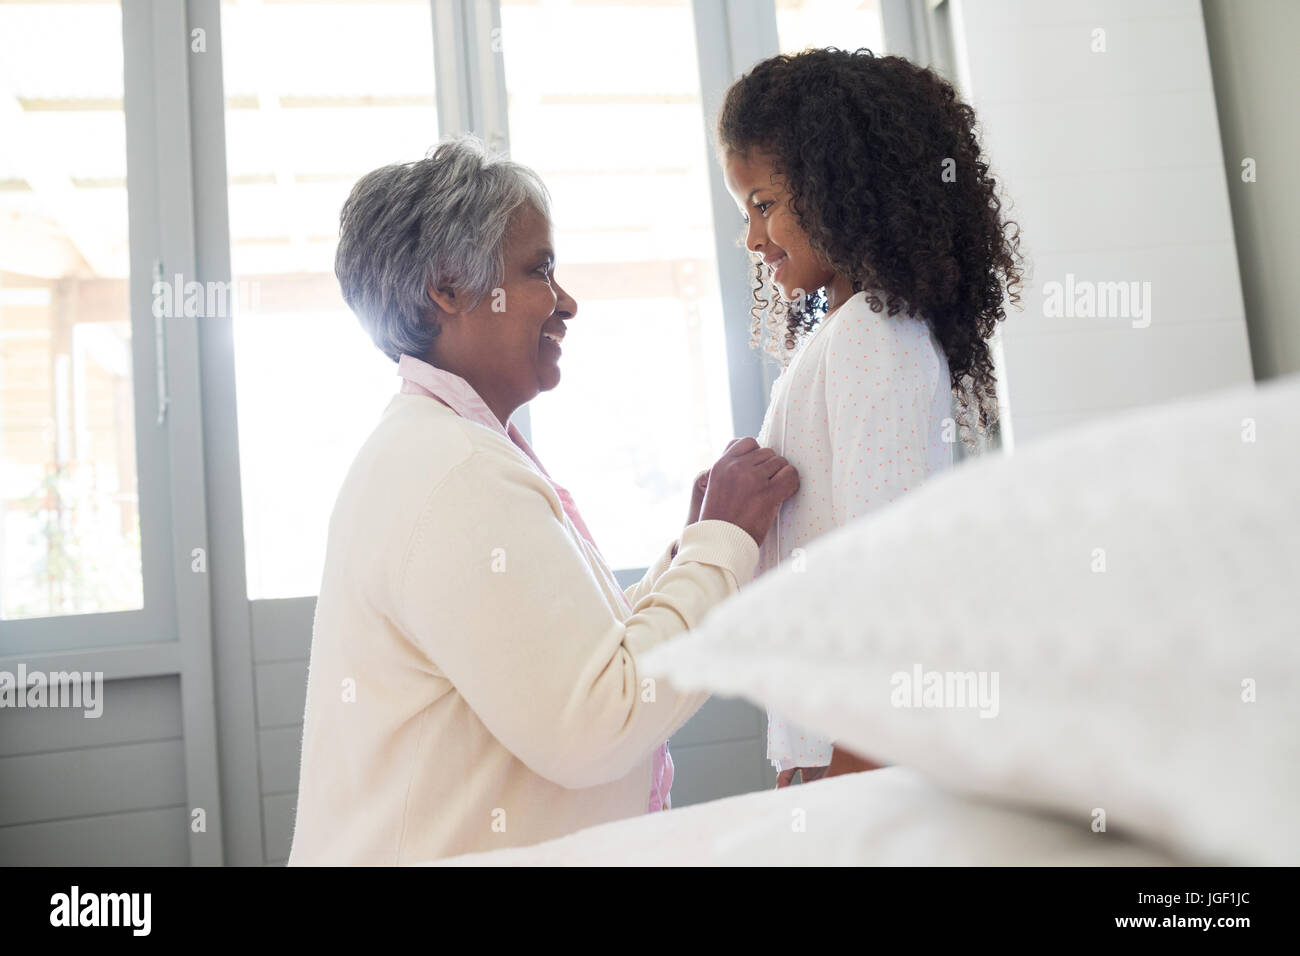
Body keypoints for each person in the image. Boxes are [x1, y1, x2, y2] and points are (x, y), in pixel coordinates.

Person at [287, 136, 798, 863]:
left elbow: (574, 664)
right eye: (540, 270)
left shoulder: (442, 449)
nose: (567, 303)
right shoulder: (455, 470)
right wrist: (722, 546)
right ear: (449, 288)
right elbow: (598, 721)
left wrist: (696, 548)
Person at [716, 48, 1024, 786]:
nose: (751, 239)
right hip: (825, 749)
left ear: (843, 190)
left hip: (854, 758)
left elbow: (887, 580)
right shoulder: (851, 336)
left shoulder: (874, 339)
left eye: (763, 204)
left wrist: (851, 776)